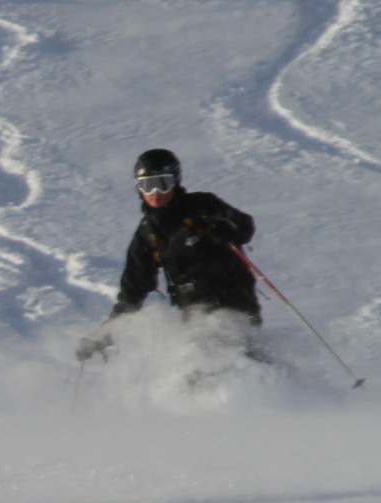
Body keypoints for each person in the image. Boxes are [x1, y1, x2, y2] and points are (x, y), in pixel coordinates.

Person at [77, 147, 260, 360]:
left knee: (229, 356)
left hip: (232, 303)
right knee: (196, 368)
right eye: (147, 185)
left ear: (175, 182)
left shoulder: (201, 205)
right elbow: (132, 290)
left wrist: (226, 228)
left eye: (163, 184)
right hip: (192, 312)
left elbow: (244, 225)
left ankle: (270, 382)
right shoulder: (148, 233)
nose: (155, 193)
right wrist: (105, 334)